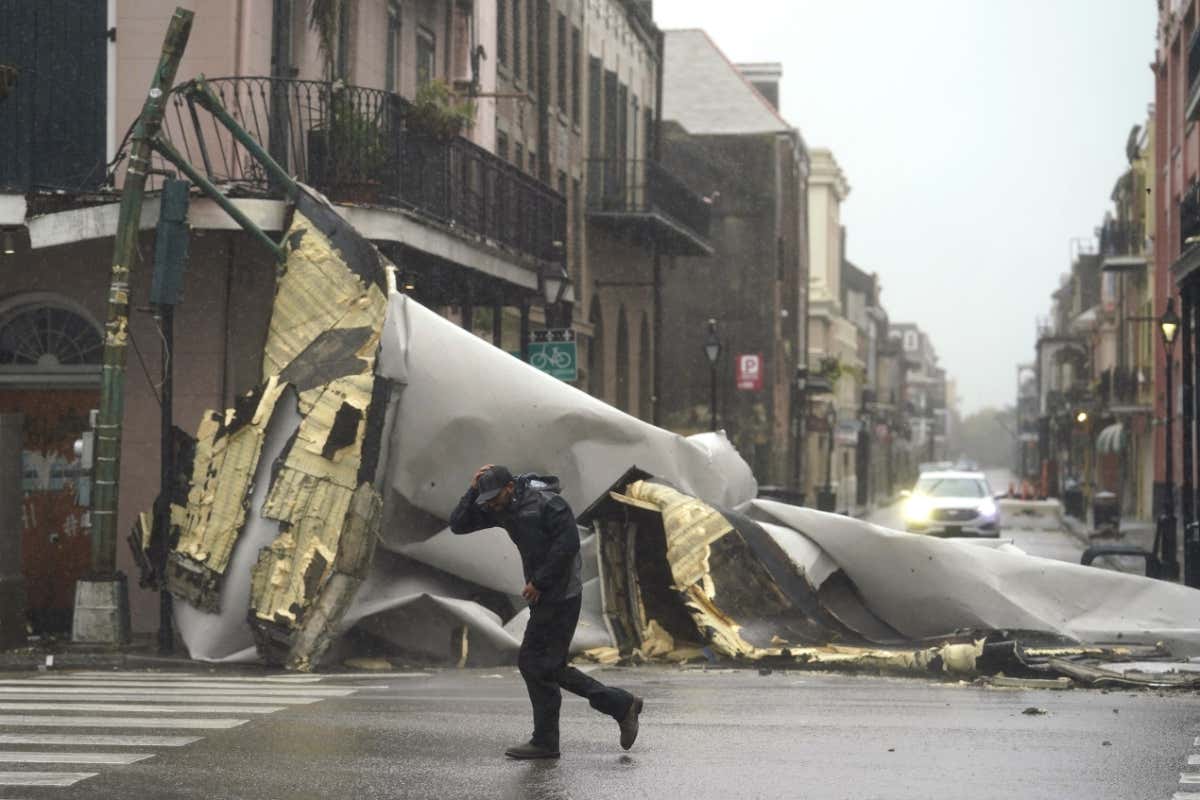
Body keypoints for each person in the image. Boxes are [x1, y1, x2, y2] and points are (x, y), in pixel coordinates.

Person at [450, 464, 644, 760]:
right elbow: (459, 524)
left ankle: (608, 710)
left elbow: (567, 546)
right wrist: (473, 489)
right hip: (544, 595)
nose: (490, 504)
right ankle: (589, 720)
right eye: (486, 499)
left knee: (539, 664)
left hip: (563, 594)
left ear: (510, 488)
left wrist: (539, 582)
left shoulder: (548, 503)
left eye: (493, 497)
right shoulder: (500, 506)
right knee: (541, 665)